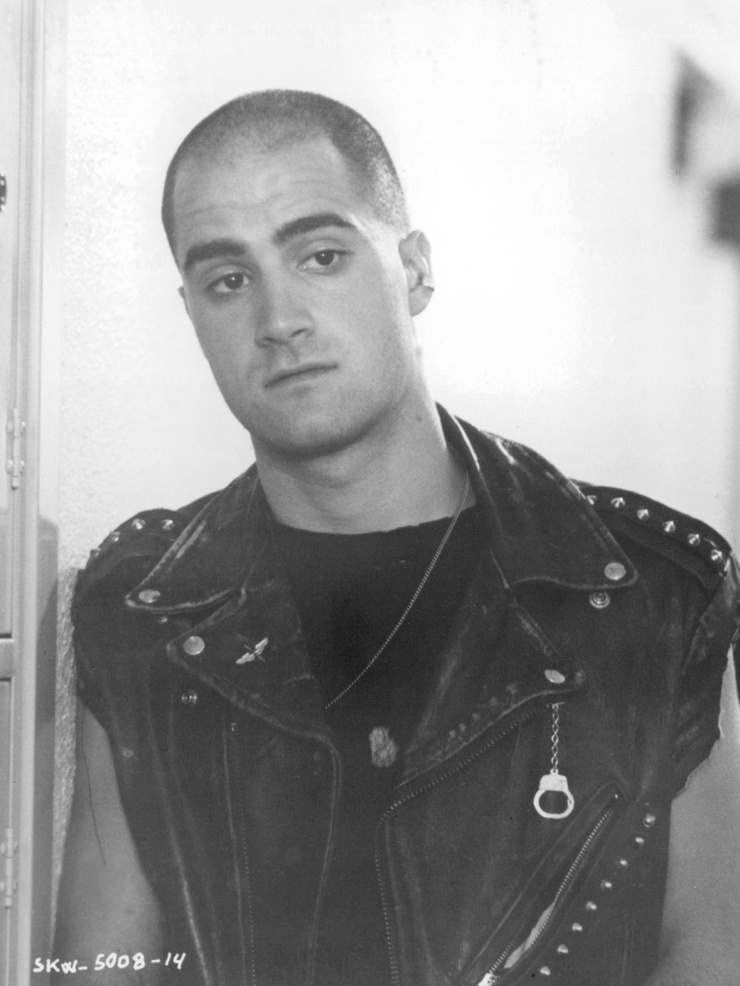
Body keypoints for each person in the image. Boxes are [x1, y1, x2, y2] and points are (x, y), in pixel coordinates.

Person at [53, 90, 740, 986]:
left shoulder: (645, 588)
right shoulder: (146, 603)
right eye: (229, 280)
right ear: (193, 314)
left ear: (414, 270)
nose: (278, 320)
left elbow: (712, 952)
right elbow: (99, 966)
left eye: (321, 256)